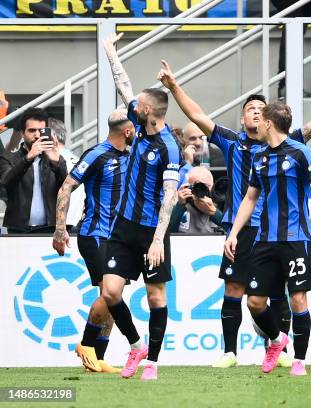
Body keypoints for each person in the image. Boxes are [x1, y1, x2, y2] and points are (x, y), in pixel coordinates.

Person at [158, 61, 311, 368]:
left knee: (284, 294)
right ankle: (231, 352)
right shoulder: (231, 141)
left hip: (278, 231)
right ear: (243, 118)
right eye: (250, 107)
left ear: (268, 119)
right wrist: (174, 87)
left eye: (261, 107)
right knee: (235, 289)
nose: (256, 111)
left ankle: (281, 349)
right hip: (243, 230)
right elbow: (197, 115)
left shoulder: (290, 143)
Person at [223, 102, 311, 376]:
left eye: (260, 118)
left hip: (295, 239)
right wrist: (234, 233)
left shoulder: (301, 153)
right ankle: (277, 340)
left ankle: (299, 360)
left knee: (298, 299)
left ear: (269, 124)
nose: (256, 123)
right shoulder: (260, 157)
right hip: (264, 241)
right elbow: (250, 198)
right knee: (255, 302)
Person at [101, 32, 181, 381]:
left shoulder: (169, 148)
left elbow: (170, 197)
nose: (131, 106)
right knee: (110, 291)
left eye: (138, 105)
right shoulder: (139, 118)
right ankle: (136, 345)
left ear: (148, 111)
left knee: (155, 295)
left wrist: (158, 240)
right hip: (123, 225)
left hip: (151, 231)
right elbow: (123, 85)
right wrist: (109, 52)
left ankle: (153, 362)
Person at [52, 109, 134, 374]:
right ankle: (87, 347)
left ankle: (95, 360)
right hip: (96, 233)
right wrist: (60, 228)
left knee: (113, 297)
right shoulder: (97, 154)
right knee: (110, 294)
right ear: (127, 131)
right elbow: (67, 186)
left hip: (120, 239)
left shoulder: (132, 155)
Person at [0, 107, 67, 233]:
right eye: (31, 131)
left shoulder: (55, 158)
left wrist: (57, 163)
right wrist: (29, 157)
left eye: (41, 131)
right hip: (18, 229)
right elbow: (5, 182)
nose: (37, 135)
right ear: (22, 133)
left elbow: (68, 187)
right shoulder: (8, 158)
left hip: (49, 228)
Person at [48, 117, 85, 231]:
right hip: (77, 228)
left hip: (56, 228)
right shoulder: (80, 162)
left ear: (52, 137)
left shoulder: (52, 164)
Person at [170, 166, 223, 234]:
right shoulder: (182, 205)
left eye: (205, 186)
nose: (201, 189)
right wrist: (180, 205)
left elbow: (231, 230)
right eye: (197, 186)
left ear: (212, 187)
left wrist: (214, 212)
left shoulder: (221, 202)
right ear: (189, 187)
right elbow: (170, 233)